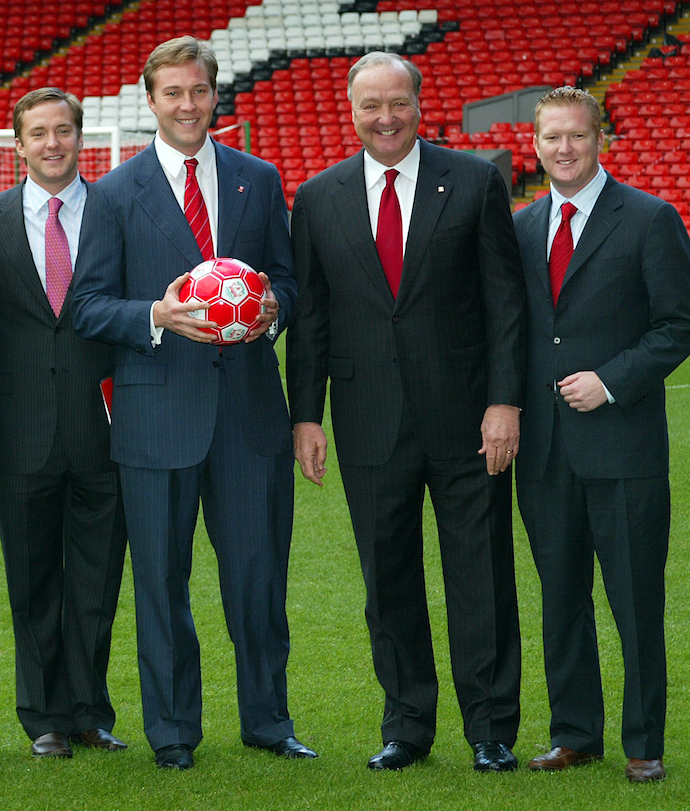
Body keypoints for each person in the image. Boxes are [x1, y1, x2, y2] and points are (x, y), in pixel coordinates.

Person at [71, 36, 313, 770]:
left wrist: (268, 309)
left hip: (247, 417)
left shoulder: (258, 179)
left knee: (258, 580)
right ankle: (173, 730)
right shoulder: (114, 192)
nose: (186, 104)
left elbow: (291, 285)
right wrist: (156, 316)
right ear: (151, 100)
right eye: (172, 93)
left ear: (216, 95)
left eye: (198, 91)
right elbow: (87, 305)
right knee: (160, 586)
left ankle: (268, 720)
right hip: (155, 419)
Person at [285, 51, 527, 773]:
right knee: (387, 579)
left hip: (468, 422)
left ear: (421, 106)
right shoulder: (318, 197)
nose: (384, 118)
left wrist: (504, 400)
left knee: (480, 575)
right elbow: (314, 318)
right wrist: (305, 415)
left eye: (397, 103)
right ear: (350, 110)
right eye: (370, 106)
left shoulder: (477, 180)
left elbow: (504, 304)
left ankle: (490, 727)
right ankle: (408, 724)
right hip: (367, 419)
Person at [512, 87, 690, 784]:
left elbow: (683, 323)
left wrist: (612, 378)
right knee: (561, 598)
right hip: (543, 452)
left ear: (601, 139)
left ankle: (643, 742)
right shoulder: (522, 225)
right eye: (552, 137)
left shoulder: (650, 219)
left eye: (577, 135)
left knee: (633, 598)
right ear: (534, 144)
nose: (564, 148)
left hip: (623, 446)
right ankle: (574, 733)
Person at [0, 88, 129, 759]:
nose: (53, 143)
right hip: (20, 436)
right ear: (17, 145)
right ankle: (44, 717)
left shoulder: (117, 211)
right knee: (32, 582)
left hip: (105, 429)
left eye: (64, 130)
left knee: (96, 579)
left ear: (79, 138)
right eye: (39, 133)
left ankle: (88, 710)